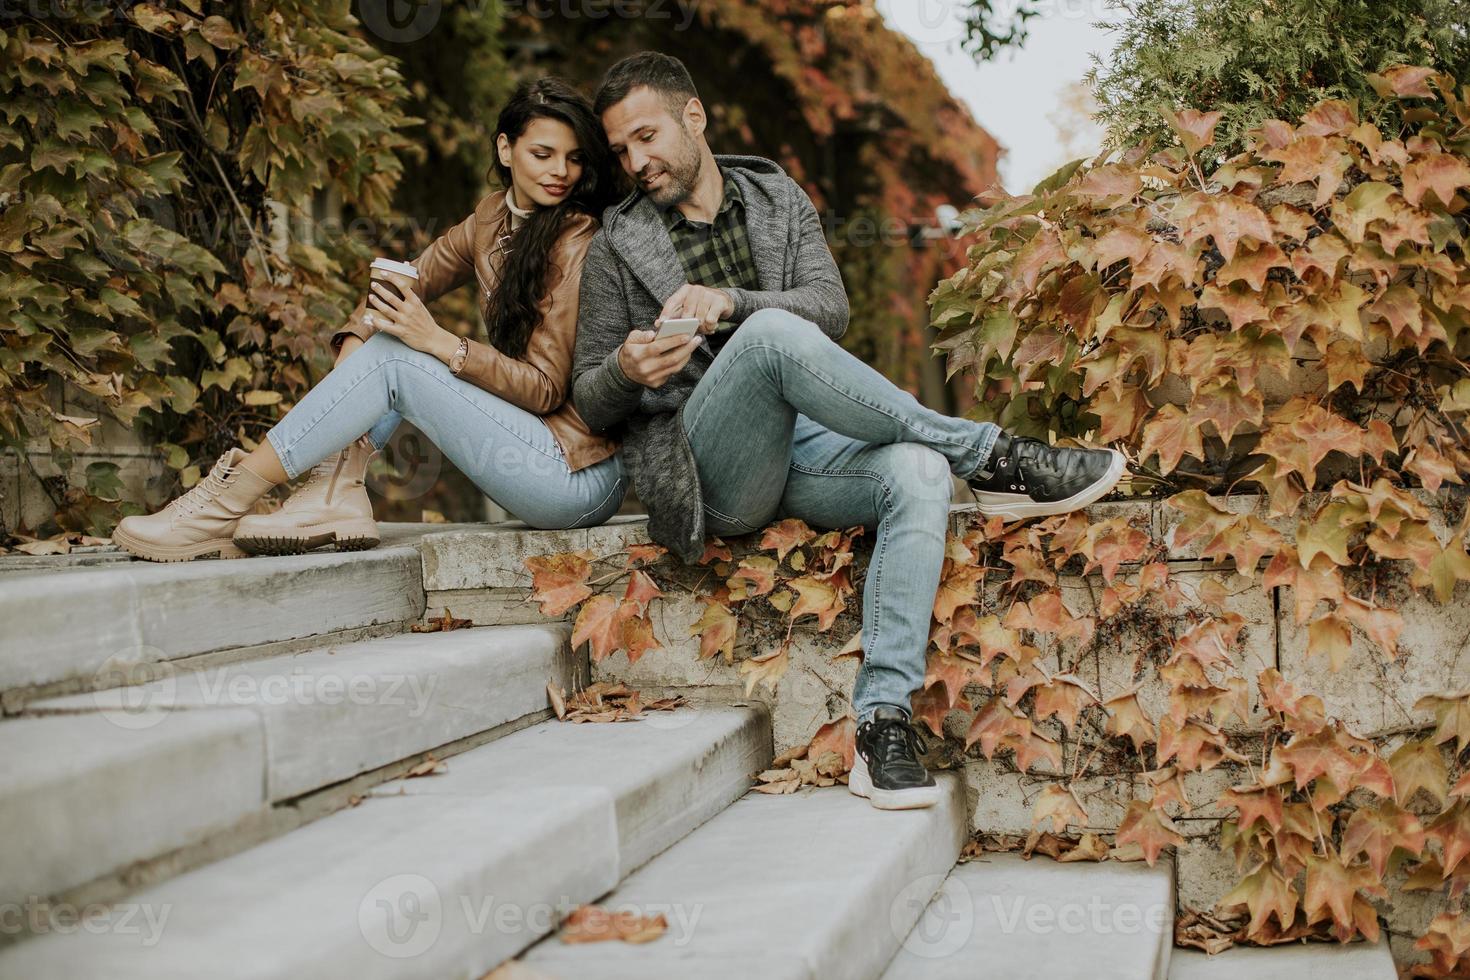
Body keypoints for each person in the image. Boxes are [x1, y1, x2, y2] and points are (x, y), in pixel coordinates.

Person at [571, 53, 1127, 811]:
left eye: (646, 137)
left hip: (808, 447)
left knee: (918, 475)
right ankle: (995, 456)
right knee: (766, 333)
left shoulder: (775, 197)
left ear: (693, 117)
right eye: (621, 151)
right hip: (710, 472)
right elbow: (590, 398)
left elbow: (830, 312)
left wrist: (729, 301)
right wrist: (629, 368)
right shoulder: (617, 243)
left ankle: (883, 725)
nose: (636, 162)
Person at [113, 78, 626, 562]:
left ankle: (224, 503)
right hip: (529, 447)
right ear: (505, 149)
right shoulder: (489, 219)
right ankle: (335, 488)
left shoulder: (577, 238)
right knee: (384, 341)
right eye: (543, 154)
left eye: (574, 159)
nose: (561, 171)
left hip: (572, 474)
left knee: (400, 357)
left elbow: (543, 389)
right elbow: (406, 280)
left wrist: (442, 343)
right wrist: (357, 337)